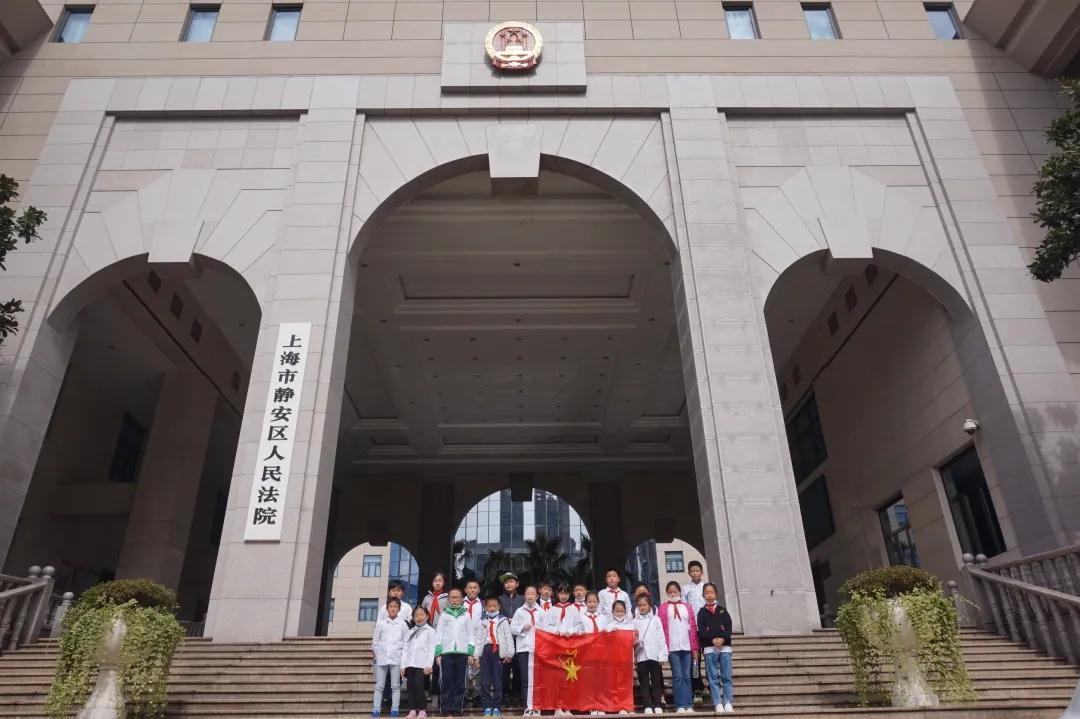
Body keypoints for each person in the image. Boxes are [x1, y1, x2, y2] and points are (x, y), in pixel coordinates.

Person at [435, 587, 477, 717]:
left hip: (462, 653)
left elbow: (471, 635)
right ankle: (446, 709)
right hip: (446, 653)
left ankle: (457, 708)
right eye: (452, 597)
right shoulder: (444, 614)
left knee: (460, 682)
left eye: (457, 597)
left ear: (461, 599)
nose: (454, 599)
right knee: (446, 681)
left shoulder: (466, 615)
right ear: (448, 599)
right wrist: (438, 653)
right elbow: (439, 634)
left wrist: (470, 653)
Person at [657, 581, 699, 713]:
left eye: (675, 591)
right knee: (677, 676)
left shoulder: (687, 607)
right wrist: (662, 649)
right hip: (672, 647)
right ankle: (680, 705)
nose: (673, 593)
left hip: (687, 646)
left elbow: (693, 628)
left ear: (679, 592)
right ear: (666, 593)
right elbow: (659, 629)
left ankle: (689, 705)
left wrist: (695, 648)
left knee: (687, 676)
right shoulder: (663, 608)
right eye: (670, 591)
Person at [696, 583, 733, 714]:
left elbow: (729, 628)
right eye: (706, 593)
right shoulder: (701, 612)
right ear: (703, 595)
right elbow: (701, 631)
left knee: (726, 676)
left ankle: (728, 702)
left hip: (725, 648)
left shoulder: (723, 611)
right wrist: (712, 639)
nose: (709, 595)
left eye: (712, 592)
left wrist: (722, 639)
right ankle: (717, 702)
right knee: (712, 677)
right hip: (709, 648)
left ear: (716, 594)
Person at [510, 585, 544, 717]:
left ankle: (537, 706)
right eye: (528, 593)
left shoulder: (542, 612)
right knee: (526, 679)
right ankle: (528, 707)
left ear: (537, 596)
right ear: (524, 596)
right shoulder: (519, 611)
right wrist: (522, 628)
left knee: (537, 679)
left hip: (538, 649)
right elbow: (512, 628)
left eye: (532, 594)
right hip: (524, 649)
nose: (530, 596)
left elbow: (548, 628)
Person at [479, 595, 514, 717]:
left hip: (498, 651)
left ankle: (497, 706)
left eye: (494, 606)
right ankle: (487, 706)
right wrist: (475, 655)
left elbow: (508, 637)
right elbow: (478, 638)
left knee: (498, 680)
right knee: (485, 680)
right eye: (490, 606)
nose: (492, 608)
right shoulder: (482, 621)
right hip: (485, 650)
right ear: (485, 607)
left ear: (499, 606)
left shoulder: (503, 621)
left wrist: (510, 653)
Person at [373, 597, 409, 718]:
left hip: (396, 659)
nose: (393, 609)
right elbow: (375, 642)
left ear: (399, 609)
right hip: (382, 659)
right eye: (391, 606)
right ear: (387, 608)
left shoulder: (403, 624)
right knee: (379, 686)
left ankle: (395, 709)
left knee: (395, 686)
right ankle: (376, 709)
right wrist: (379, 655)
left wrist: (403, 660)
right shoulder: (381, 624)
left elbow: (406, 643)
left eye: (395, 606)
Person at [633, 594, 667, 715]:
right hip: (641, 655)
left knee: (656, 681)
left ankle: (657, 704)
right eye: (640, 605)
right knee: (644, 682)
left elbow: (661, 637)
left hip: (654, 655)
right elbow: (632, 639)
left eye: (644, 605)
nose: (642, 607)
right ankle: (647, 705)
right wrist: (636, 641)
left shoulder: (656, 619)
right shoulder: (634, 621)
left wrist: (662, 655)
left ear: (649, 605)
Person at [402, 605, 437, 719]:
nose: (419, 617)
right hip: (410, 663)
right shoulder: (410, 632)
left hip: (422, 664)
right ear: (413, 618)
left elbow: (432, 649)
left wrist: (429, 665)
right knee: (410, 687)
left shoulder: (430, 631)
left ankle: (422, 710)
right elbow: (405, 649)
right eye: (416, 615)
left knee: (419, 685)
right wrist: (403, 666)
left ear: (427, 616)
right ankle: (412, 710)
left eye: (422, 615)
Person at [681, 561, 707, 702]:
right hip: (692, 630)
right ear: (689, 573)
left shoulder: (706, 587)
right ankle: (697, 690)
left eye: (697, 570)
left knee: (710, 659)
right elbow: (684, 608)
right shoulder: (686, 589)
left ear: (702, 572)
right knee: (695, 661)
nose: (695, 573)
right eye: (692, 571)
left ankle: (712, 685)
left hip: (707, 629)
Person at [422, 572, 449, 699]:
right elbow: (421, 612)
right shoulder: (427, 598)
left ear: (444, 583)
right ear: (432, 583)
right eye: (435, 581)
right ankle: (425, 689)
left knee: (438, 663)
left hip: (440, 634)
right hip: (427, 633)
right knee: (426, 662)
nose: (437, 583)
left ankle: (436, 691)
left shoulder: (447, 598)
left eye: (440, 581)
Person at [498, 573, 525, 701]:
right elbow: (495, 614)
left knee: (518, 667)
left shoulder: (523, 599)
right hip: (504, 638)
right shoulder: (499, 599)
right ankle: (504, 694)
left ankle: (516, 694)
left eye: (511, 582)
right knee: (504, 667)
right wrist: (505, 619)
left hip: (518, 638)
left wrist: (515, 621)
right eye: (506, 582)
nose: (508, 584)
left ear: (517, 584)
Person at [606, 600, 635, 717]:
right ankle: (619, 706)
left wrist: (636, 636)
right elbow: (605, 641)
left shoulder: (630, 625)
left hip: (627, 658)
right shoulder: (609, 625)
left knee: (627, 684)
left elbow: (635, 642)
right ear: (612, 611)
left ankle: (628, 705)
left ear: (625, 611)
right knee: (616, 683)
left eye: (621, 611)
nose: (619, 613)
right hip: (614, 659)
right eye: (617, 611)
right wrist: (609, 632)